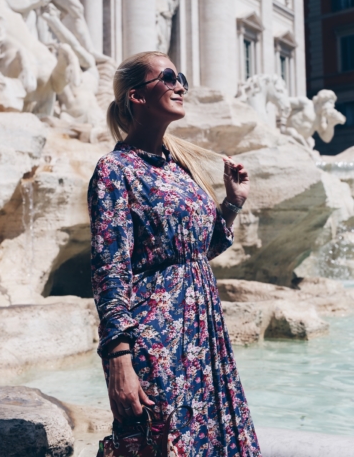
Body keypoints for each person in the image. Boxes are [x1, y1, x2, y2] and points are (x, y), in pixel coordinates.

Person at [87, 51, 260, 455]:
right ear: (137, 96)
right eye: (168, 77)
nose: (180, 84)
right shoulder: (116, 170)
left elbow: (198, 251)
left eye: (179, 76)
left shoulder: (181, 167)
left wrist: (231, 203)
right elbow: (109, 271)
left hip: (204, 334)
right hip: (156, 337)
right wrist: (119, 361)